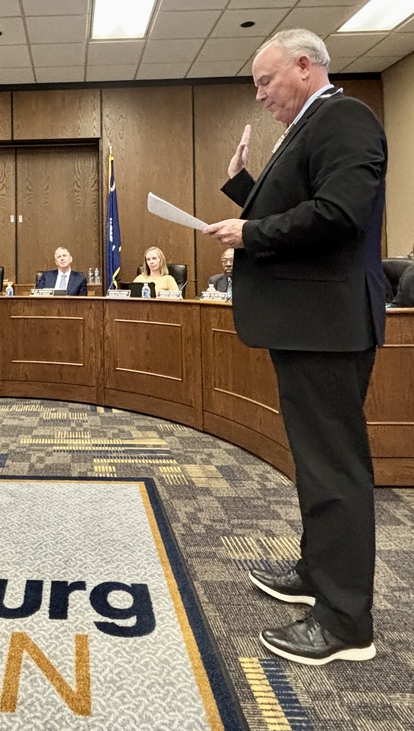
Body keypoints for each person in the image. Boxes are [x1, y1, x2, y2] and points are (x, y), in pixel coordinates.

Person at [204, 28, 386, 666]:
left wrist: (251, 229)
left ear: (304, 67)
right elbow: (297, 206)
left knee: (335, 467)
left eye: (265, 81)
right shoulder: (313, 126)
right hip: (309, 323)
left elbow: (339, 213)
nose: (260, 96)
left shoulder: (345, 118)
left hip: (329, 325)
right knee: (315, 462)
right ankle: (321, 572)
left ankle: (345, 623)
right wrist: (243, 189)